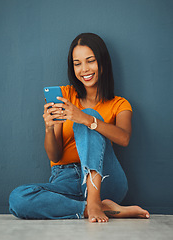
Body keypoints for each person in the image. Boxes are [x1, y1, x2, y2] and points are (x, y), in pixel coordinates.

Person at [9, 33, 150, 223]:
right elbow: (54, 156)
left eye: (90, 61)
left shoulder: (120, 104)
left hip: (106, 180)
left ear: (102, 62)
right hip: (65, 180)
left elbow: (124, 138)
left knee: (89, 118)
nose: (84, 69)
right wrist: (49, 128)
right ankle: (98, 208)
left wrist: (84, 117)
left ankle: (94, 200)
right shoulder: (65, 96)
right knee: (18, 198)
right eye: (77, 64)